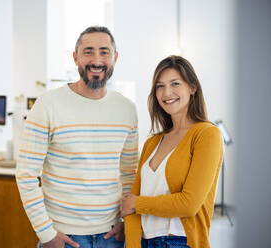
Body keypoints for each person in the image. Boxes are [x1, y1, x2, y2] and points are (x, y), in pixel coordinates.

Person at [16, 26, 139, 248]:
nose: (97, 60)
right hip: (63, 238)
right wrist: (46, 234)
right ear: (75, 57)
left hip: (112, 237)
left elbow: (129, 171)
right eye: (88, 51)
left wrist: (126, 220)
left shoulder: (127, 109)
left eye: (104, 52)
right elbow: (26, 175)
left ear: (115, 57)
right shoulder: (47, 105)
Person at [121, 55, 223, 248]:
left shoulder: (207, 134)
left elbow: (189, 204)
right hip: (144, 242)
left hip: (181, 241)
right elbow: (129, 206)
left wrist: (138, 204)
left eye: (175, 83)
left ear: (192, 87)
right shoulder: (152, 142)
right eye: (160, 86)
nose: (166, 92)